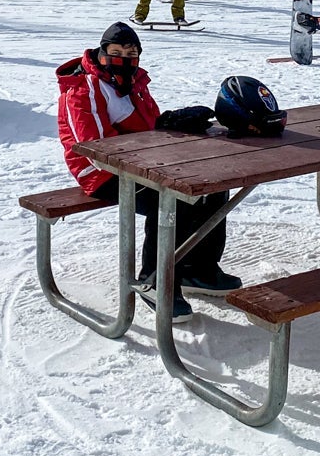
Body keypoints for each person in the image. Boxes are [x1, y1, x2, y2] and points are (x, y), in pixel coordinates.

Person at [55, 22, 234, 319]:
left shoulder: (134, 83)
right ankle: (154, 280)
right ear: (101, 53)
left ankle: (197, 269)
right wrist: (151, 157)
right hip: (101, 172)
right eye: (115, 52)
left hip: (142, 163)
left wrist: (171, 123)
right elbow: (92, 147)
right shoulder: (83, 88)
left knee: (210, 186)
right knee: (173, 200)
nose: (123, 59)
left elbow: (146, 126)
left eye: (130, 52)